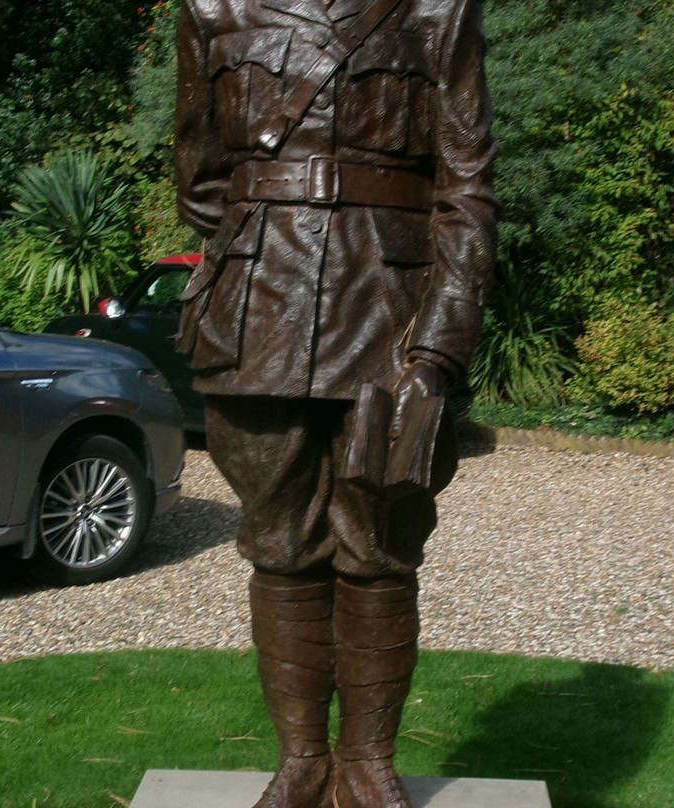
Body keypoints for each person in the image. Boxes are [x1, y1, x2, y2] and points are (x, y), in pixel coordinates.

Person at [174, 0, 497, 805]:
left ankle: (367, 762)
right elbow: (202, 178)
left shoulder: (437, 7)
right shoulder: (212, 7)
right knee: (278, 543)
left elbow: (466, 190)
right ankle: (301, 762)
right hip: (258, 312)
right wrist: (266, 244)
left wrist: (438, 348)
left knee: (382, 543)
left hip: (391, 313)